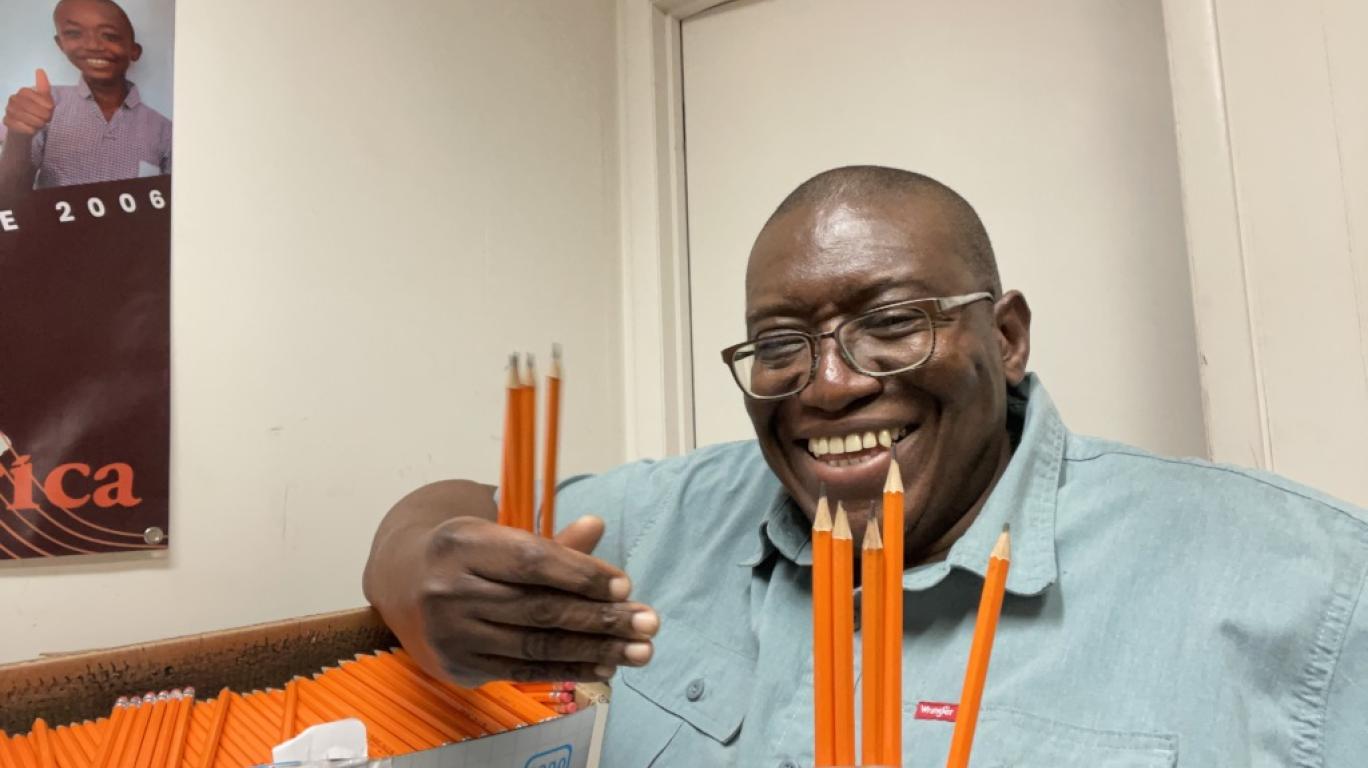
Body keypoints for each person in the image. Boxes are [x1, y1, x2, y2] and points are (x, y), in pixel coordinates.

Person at [364, 166, 1368, 766]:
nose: (831, 385)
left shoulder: (1307, 587)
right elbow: (459, 507)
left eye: (890, 324)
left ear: (1007, 337)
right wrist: (422, 570)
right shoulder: (682, 513)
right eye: (780, 344)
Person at [0, 0, 172, 196]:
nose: (93, 45)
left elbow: (177, 202)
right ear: (60, 44)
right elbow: (8, 197)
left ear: (134, 50)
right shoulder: (41, 106)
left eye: (110, 36)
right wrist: (19, 135)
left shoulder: (164, 130)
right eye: (74, 33)